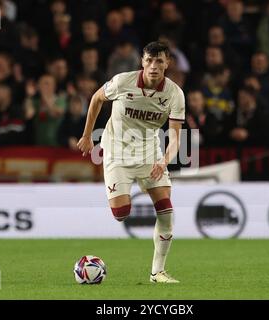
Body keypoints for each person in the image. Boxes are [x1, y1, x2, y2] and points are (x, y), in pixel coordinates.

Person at [77, 41, 185, 283]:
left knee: (166, 209)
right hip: (117, 153)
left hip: (149, 155)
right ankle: (123, 195)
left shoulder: (175, 94)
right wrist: (87, 135)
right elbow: (96, 99)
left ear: (168, 63)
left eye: (159, 61)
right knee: (121, 213)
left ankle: (158, 272)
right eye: (149, 60)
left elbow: (176, 138)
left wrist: (164, 161)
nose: (154, 66)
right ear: (142, 62)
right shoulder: (122, 81)